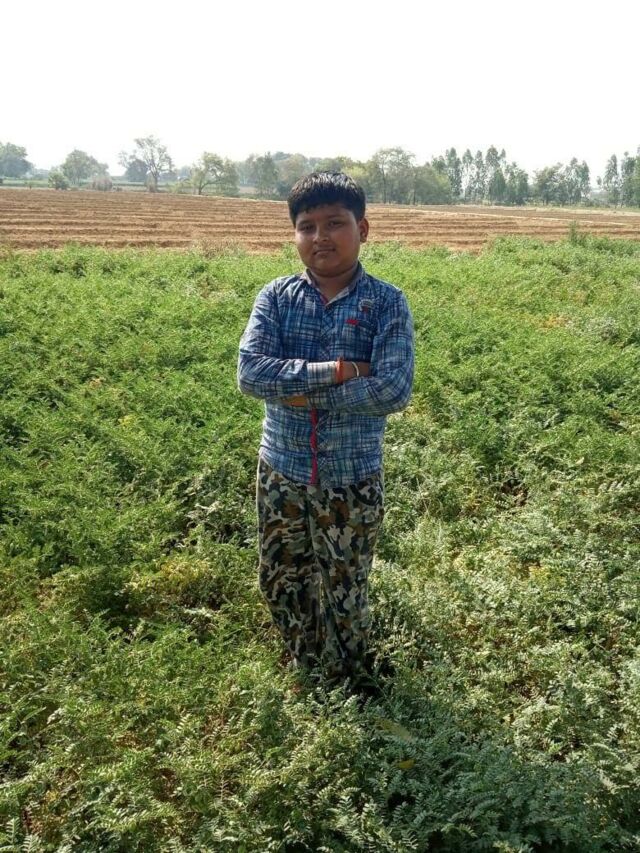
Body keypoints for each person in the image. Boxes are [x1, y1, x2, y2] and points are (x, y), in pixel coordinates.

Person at [237, 171, 414, 694]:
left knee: (345, 588)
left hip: (351, 477)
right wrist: (341, 370)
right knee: (281, 578)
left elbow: (392, 390)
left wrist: (295, 388)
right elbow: (251, 375)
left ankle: (349, 683)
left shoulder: (387, 303)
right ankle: (307, 668)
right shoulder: (275, 298)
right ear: (295, 234)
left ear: (363, 229)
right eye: (307, 226)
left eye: (335, 223)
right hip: (281, 471)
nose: (320, 237)